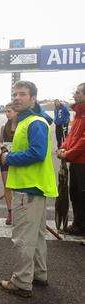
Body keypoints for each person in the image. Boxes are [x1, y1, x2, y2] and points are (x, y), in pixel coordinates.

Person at [0, 80, 58, 298]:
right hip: (34, 187)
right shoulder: (30, 119)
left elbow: (37, 153)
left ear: (33, 99)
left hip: (28, 188)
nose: (16, 97)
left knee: (22, 237)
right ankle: (39, 274)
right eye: (15, 94)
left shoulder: (34, 122)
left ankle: (21, 282)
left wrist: (9, 157)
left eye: (22, 94)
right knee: (37, 236)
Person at [57, 83, 85, 236]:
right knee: (75, 193)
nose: (76, 94)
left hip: (82, 162)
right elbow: (71, 135)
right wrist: (63, 147)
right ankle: (78, 223)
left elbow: (83, 141)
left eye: (79, 92)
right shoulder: (78, 114)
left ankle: (81, 225)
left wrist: (68, 154)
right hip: (76, 162)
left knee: (82, 193)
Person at [0, 103, 18, 225]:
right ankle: (10, 211)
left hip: (17, 158)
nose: (7, 114)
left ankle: (18, 212)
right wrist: (4, 148)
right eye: (5, 111)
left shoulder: (22, 126)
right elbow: (0, 141)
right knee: (7, 185)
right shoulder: (3, 126)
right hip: (5, 158)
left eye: (9, 111)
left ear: (16, 112)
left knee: (17, 186)